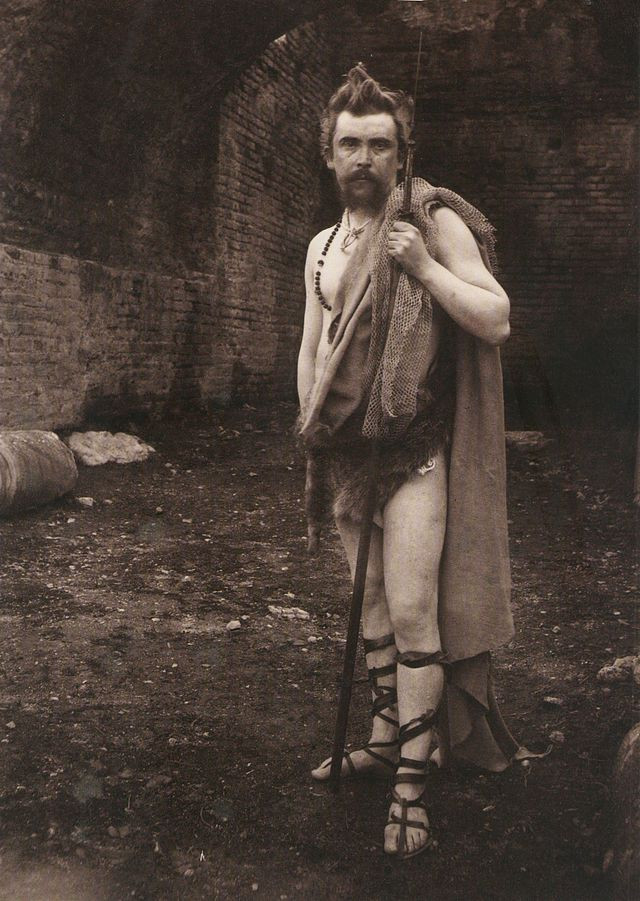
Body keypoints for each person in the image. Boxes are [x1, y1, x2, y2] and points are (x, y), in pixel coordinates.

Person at [297, 64, 524, 860]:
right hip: (346, 458)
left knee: (413, 611)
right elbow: (313, 346)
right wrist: (314, 438)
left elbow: (494, 317)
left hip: (414, 450)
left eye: (379, 145)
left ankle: (412, 787)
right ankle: (385, 737)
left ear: (402, 153)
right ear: (329, 155)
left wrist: (424, 267)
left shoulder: (429, 221)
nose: (364, 158)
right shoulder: (323, 245)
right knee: (371, 617)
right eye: (349, 144)